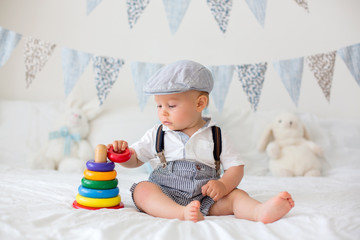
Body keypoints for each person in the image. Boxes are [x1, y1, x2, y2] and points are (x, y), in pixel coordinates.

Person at [108, 60, 294, 223]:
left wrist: (223, 185)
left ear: (200, 104)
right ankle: (181, 213)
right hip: (165, 193)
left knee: (237, 196)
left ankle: (259, 211)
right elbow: (136, 159)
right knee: (141, 190)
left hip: (206, 196)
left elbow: (236, 168)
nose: (162, 112)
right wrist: (122, 154)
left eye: (171, 105)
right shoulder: (158, 133)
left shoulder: (216, 135)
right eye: (159, 105)